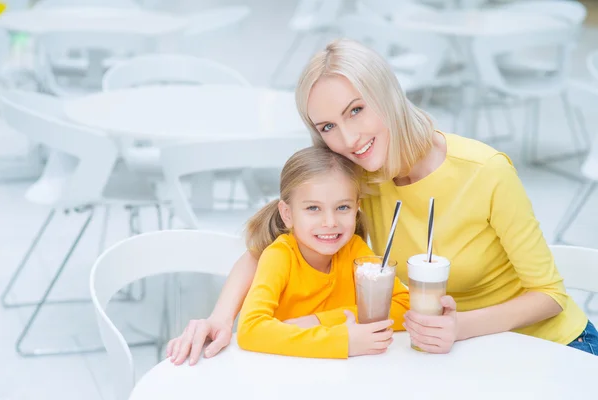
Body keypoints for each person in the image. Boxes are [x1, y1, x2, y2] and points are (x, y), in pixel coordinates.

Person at [167, 39, 597, 364]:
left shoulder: (485, 171)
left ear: (387, 93)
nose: (348, 138)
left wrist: (459, 326)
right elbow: (272, 248)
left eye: (356, 110)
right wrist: (221, 319)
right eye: (328, 126)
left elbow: (551, 295)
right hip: (460, 356)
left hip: (555, 349)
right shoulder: (362, 178)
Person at [236, 146, 408, 358]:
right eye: (313, 208)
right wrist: (343, 341)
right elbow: (250, 330)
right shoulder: (279, 256)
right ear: (287, 214)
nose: (330, 222)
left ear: (356, 209)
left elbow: (405, 305)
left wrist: (319, 321)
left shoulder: (354, 250)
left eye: (343, 207)